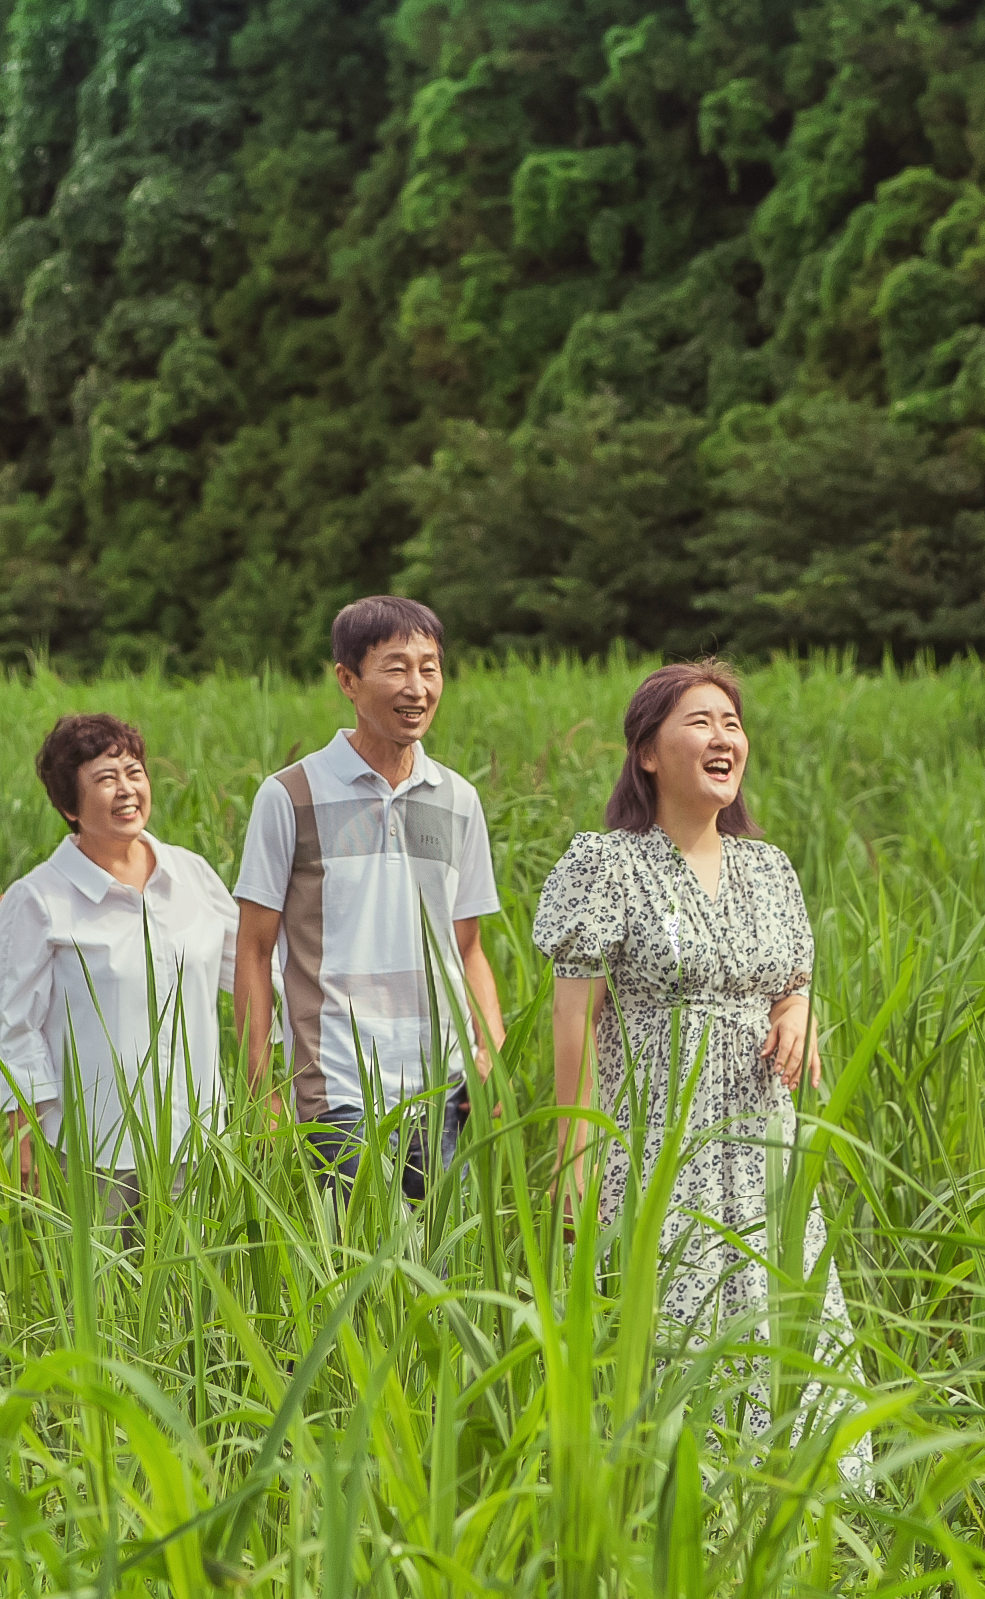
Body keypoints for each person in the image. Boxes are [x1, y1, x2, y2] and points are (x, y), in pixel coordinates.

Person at [534, 660, 865, 1470]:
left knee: (788, 1319)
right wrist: (575, 1163)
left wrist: (798, 1006)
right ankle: (687, 1522)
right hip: (658, 1148)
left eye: (732, 723)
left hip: (764, 1151)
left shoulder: (768, 868)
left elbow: (795, 981)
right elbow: (572, 1024)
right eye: (700, 721)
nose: (724, 737)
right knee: (677, 1338)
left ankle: (812, 1518)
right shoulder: (608, 864)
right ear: (647, 752)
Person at [233, 596, 505, 1199]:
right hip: (339, 1087)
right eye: (396, 667)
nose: (417, 687)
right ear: (348, 681)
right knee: (360, 1275)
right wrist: (262, 1090)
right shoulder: (290, 795)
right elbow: (253, 950)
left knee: (436, 1273)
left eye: (430, 668)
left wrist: (493, 1052)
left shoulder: (457, 798)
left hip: (444, 1085)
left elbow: (469, 947)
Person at [0, 712, 241, 1225]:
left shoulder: (191, 875)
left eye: (134, 772)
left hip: (196, 1136)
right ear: (67, 805)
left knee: (190, 1294)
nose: (126, 790)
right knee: (100, 1298)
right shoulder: (37, 898)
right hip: (92, 1148)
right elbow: (16, 1028)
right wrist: (24, 1135)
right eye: (106, 779)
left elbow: (257, 976)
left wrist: (276, 1070)